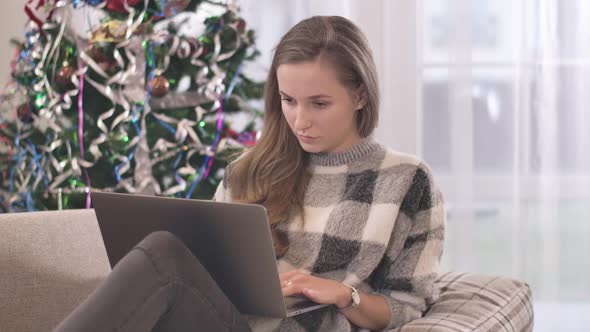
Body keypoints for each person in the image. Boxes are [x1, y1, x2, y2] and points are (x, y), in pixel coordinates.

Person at [55, 15, 445, 332]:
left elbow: (407, 307)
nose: (300, 120)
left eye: (319, 103)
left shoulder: (406, 180)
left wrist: (345, 294)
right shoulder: (248, 170)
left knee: (163, 253)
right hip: (220, 321)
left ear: (360, 94)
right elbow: (204, 267)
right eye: (288, 100)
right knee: (165, 253)